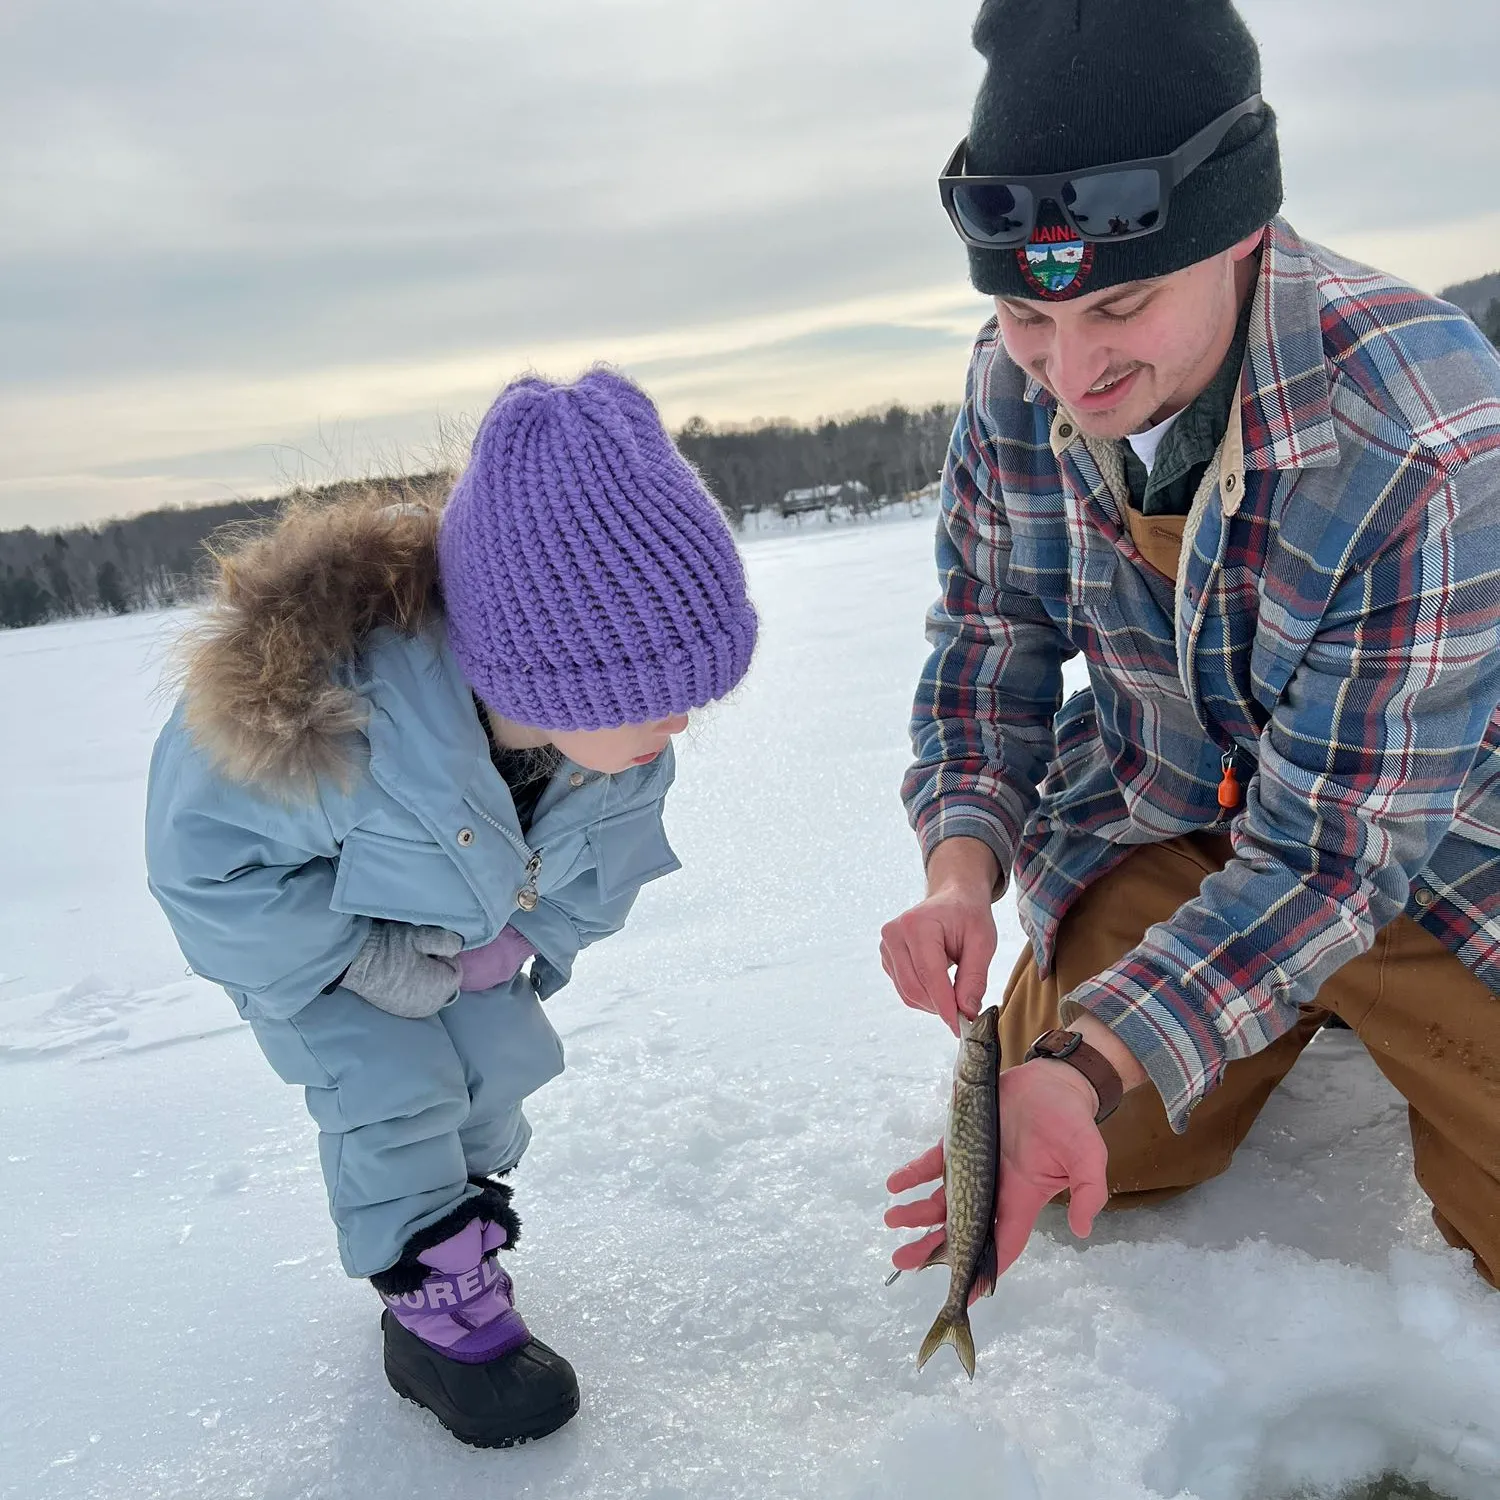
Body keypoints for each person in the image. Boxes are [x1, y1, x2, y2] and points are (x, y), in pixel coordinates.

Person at [881, 0, 1500, 1293]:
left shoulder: (1424, 437)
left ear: (1242, 236)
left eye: (1123, 306)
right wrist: (958, 866)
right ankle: (1261, 1012)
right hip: (1168, 814)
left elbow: (1334, 857)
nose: (1071, 372)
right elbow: (992, 640)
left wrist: (1091, 1050)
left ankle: (1354, 1013)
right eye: (1026, 319)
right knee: (1093, 1157)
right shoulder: (1018, 385)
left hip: (1421, 853)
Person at [145, 370, 757, 1448]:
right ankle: (436, 1306)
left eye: (696, 690)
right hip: (322, 956)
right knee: (393, 1095)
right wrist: (351, 961)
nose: (685, 722)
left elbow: (602, 864)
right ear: (547, 682)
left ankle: (454, 1210)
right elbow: (204, 866)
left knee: (494, 1080)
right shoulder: (344, 729)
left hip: (469, 938)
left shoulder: (614, 752)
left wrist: (525, 939)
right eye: (657, 697)